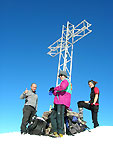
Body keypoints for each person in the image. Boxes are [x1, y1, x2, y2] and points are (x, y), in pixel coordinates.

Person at [49, 71, 72, 137]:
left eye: (61, 75)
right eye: (59, 76)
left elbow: (63, 88)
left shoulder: (66, 81)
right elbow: (58, 93)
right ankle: (55, 131)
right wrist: (53, 91)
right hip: (57, 102)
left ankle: (60, 132)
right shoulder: (61, 83)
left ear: (64, 76)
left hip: (62, 101)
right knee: (53, 116)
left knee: (60, 116)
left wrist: (55, 88)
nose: (60, 77)